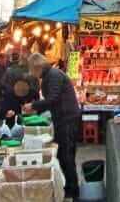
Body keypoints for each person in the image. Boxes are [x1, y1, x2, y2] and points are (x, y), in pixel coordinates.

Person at [23, 53, 81, 200]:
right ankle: (70, 187)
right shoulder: (50, 75)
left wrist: (34, 106)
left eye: (33, 71)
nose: (34, 74)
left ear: (38, 67)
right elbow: (52, 100)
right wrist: (37, 109)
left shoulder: (53, 75)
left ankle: (73, 190)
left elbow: (53, 98)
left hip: (67, 118)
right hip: (64, 117)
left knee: (66, 155)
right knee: (64, 154)